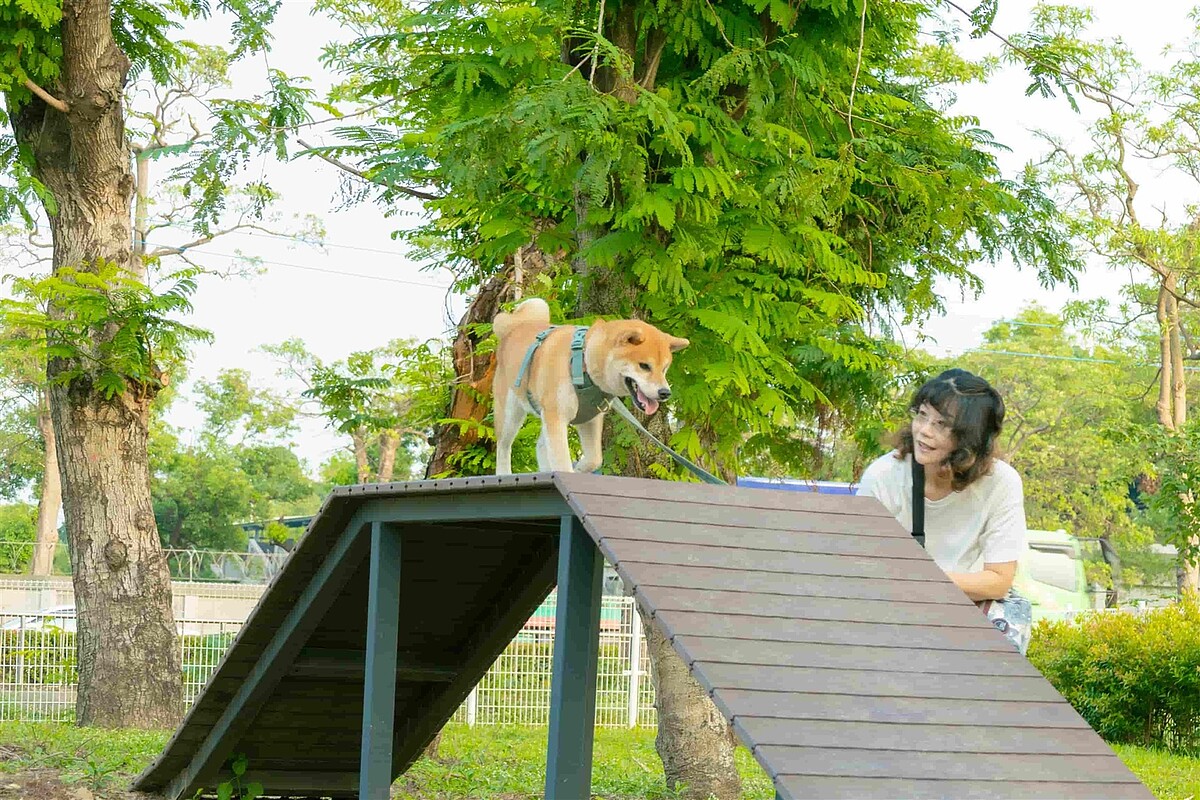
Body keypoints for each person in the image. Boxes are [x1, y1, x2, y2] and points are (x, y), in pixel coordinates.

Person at [858, 368, 1026, 603]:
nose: (924, 431)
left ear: (972, 437)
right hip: (889, 604)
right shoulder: (883, 475)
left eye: (941, 424)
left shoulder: (1001, 482)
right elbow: (861, 565)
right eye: (922, 415)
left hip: (965, 608)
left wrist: (920, 581)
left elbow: (998, 581)